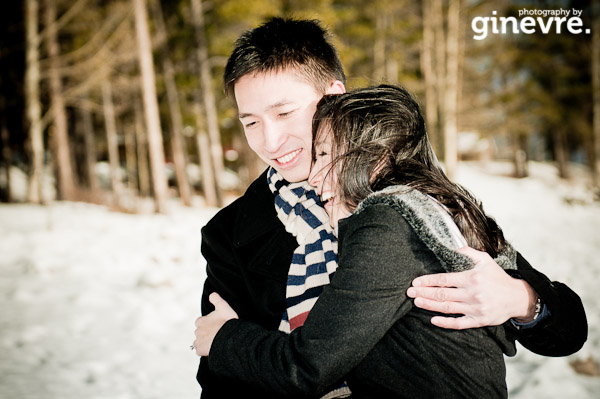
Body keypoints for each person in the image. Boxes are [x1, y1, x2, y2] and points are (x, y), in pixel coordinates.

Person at [195, 17, 587, 398]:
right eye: (251, 123)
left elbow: (568, 330)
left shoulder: (404, 192)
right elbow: (222, 378)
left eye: (283, 113)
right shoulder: (232, 233)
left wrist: (522, 300)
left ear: (334, 96)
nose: (272, 141)